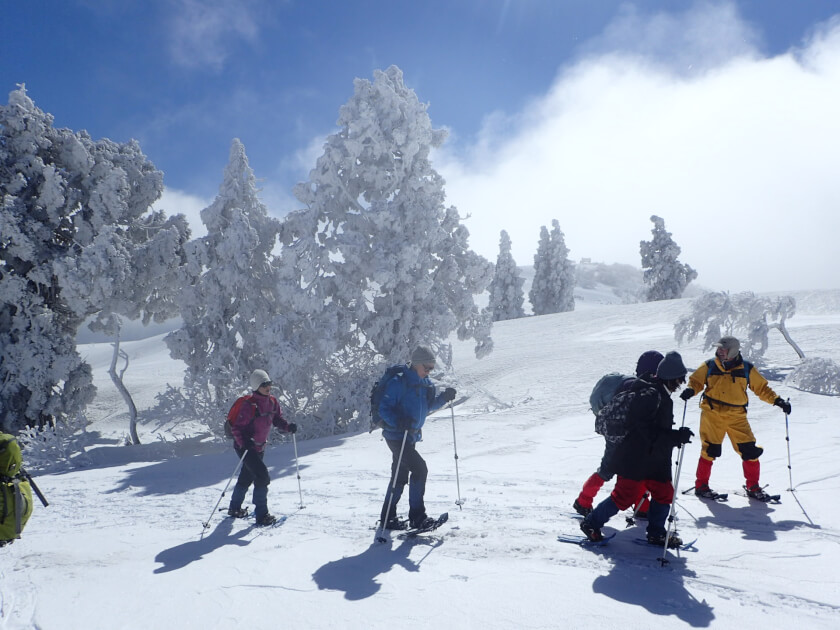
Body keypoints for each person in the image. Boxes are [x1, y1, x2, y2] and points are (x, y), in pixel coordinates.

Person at [580, 352, 694, 547]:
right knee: (624, 497)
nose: (679, 384)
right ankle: (591, 523)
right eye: (679, 379)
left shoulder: (660, 394)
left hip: (653, 459)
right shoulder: (650, 395)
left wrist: (674, 436)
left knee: (665, 492)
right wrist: (674, 437)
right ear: (671, 377)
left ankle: (657, 533)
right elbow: (644, 429)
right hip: (635, 458)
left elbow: (655, 429)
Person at [680, 336, 792, 501]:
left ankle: (753, 486)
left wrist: (777, 401)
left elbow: (761, 388)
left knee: (750, 451)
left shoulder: (746, 368)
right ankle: (701, 485)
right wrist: (691, 390)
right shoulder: (709, 365)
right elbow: (695, 381)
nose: (718, 352)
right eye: (718, 349)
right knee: (710, 450)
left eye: (722, 349)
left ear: (732, 351)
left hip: (737, 416)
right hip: (712, 414)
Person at [573, 350, 664, 517]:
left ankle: (641, 506)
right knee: (609, 469)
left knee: (638, 467)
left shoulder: (639, 386)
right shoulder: (638, 388)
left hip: (626, 434)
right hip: (618, 433)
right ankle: (583, 501)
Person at [378, 346, 456, 530]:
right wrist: (399, 421)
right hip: (396, 436)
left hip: (410, 437)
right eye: (427, 367)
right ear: (416, 364)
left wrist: (444, 397)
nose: (429, 371)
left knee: (399, 476)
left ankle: (388, 518)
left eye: (431, 368)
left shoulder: (425, 383)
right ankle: (417, 517)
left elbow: (427, 407)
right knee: (420, 469)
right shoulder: (399, 382)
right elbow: (384, 408)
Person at [228, 369, 297, 526]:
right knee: (262, 476)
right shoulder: (249, 405)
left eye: (269, 383)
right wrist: (244, 443)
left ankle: (234, 508)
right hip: (245, 447)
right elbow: (236, 429)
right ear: (256, 386)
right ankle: (262, 515)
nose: (268, 386)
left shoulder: (272, 401)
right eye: (264, 384)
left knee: (247, 476)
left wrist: (288, 427)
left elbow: (277, 419)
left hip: (259, 447)